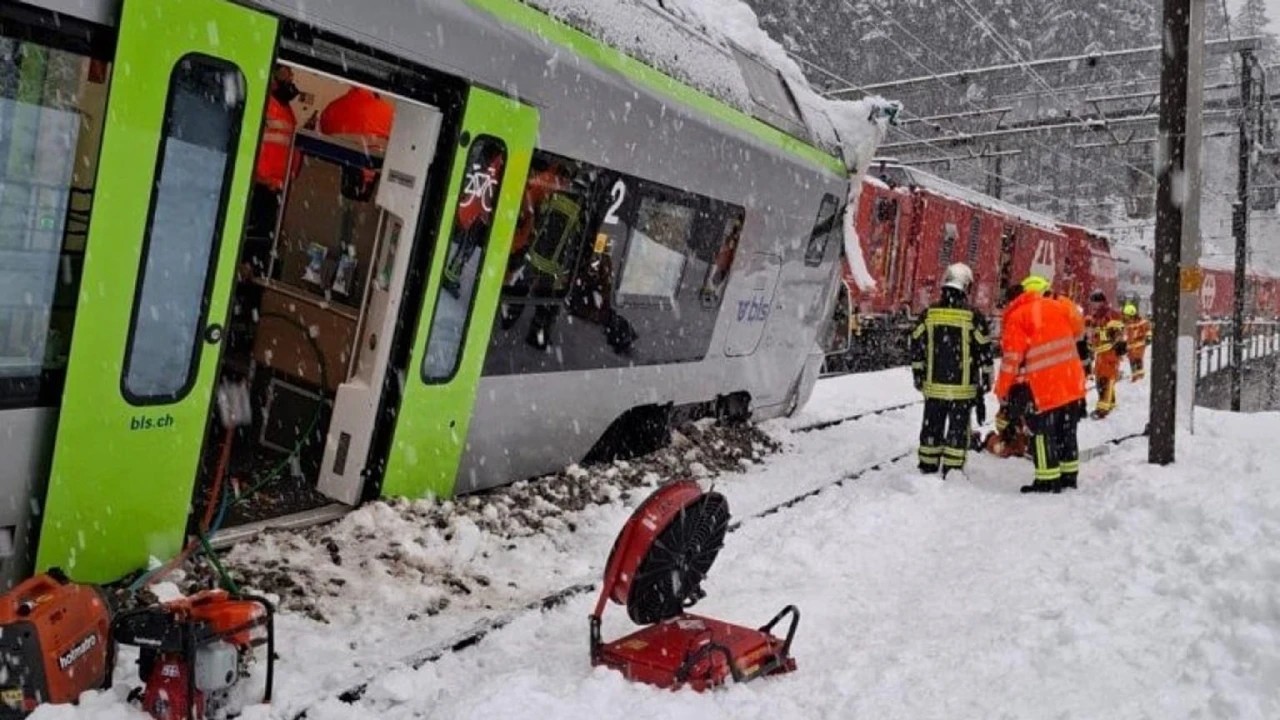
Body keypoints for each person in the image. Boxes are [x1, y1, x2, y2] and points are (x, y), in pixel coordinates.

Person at [994, 276, 1088, 493]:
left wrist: (1002, 390)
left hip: (1044, 386)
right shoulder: (1060, 307)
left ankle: (1047, 481)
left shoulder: (1018, 316)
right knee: (1067, 431)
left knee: (1042, 433)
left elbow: (1011, 359)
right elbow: (1078, 332)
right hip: (1071, 381)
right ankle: (1068, 477)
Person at [909, 263, 993, 478]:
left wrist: (918, 374)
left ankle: (927, 464)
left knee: (932, 426)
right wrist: (985, 379)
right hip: (962, 389)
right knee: (957, 429)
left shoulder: (929, 314)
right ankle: (952, 469)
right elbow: (984, 350)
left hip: (934, 385)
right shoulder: (973, 316)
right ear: (966, 287)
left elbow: (916, 345)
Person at [1085, 290, 1127, 418]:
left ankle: (1102, 409)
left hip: (1110, 353)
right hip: (1101, 353)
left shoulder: (1110, 315)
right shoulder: (1096, 316)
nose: (1093, 306)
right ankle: (1111, 402)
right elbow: (1094, 334)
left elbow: (1119, 332)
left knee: (1105, 380)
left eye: (1094, 303)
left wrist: (1118, 344)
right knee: (1101, 379)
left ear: (1101, 302)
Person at [1122, 302, 1150, 381]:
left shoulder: (1142, 322)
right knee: (1132, 361)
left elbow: (1148, 330)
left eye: (1127, 315)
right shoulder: (1127, 324)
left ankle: (1139, 378)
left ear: (1131, 315)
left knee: (1138, 360)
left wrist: (1148, 337)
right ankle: (1135, 378)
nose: (1125, 317)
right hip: (1131, 348)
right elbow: (1125, 335)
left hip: (1139, 346)